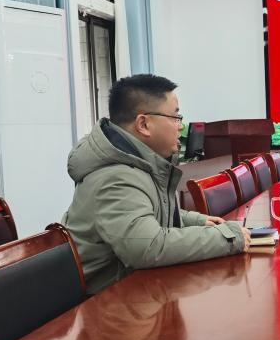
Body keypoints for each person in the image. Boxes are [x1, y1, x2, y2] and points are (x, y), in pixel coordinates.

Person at [62, 74, 249, 294]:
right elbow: (148, 246)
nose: (181, 126)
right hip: (105, 303)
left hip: (136, 290)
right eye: (175, 117)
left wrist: (197, 221)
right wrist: (228, 237)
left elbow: (149, 212)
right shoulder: (115, 177)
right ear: (143, 124)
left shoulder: (139, 162)